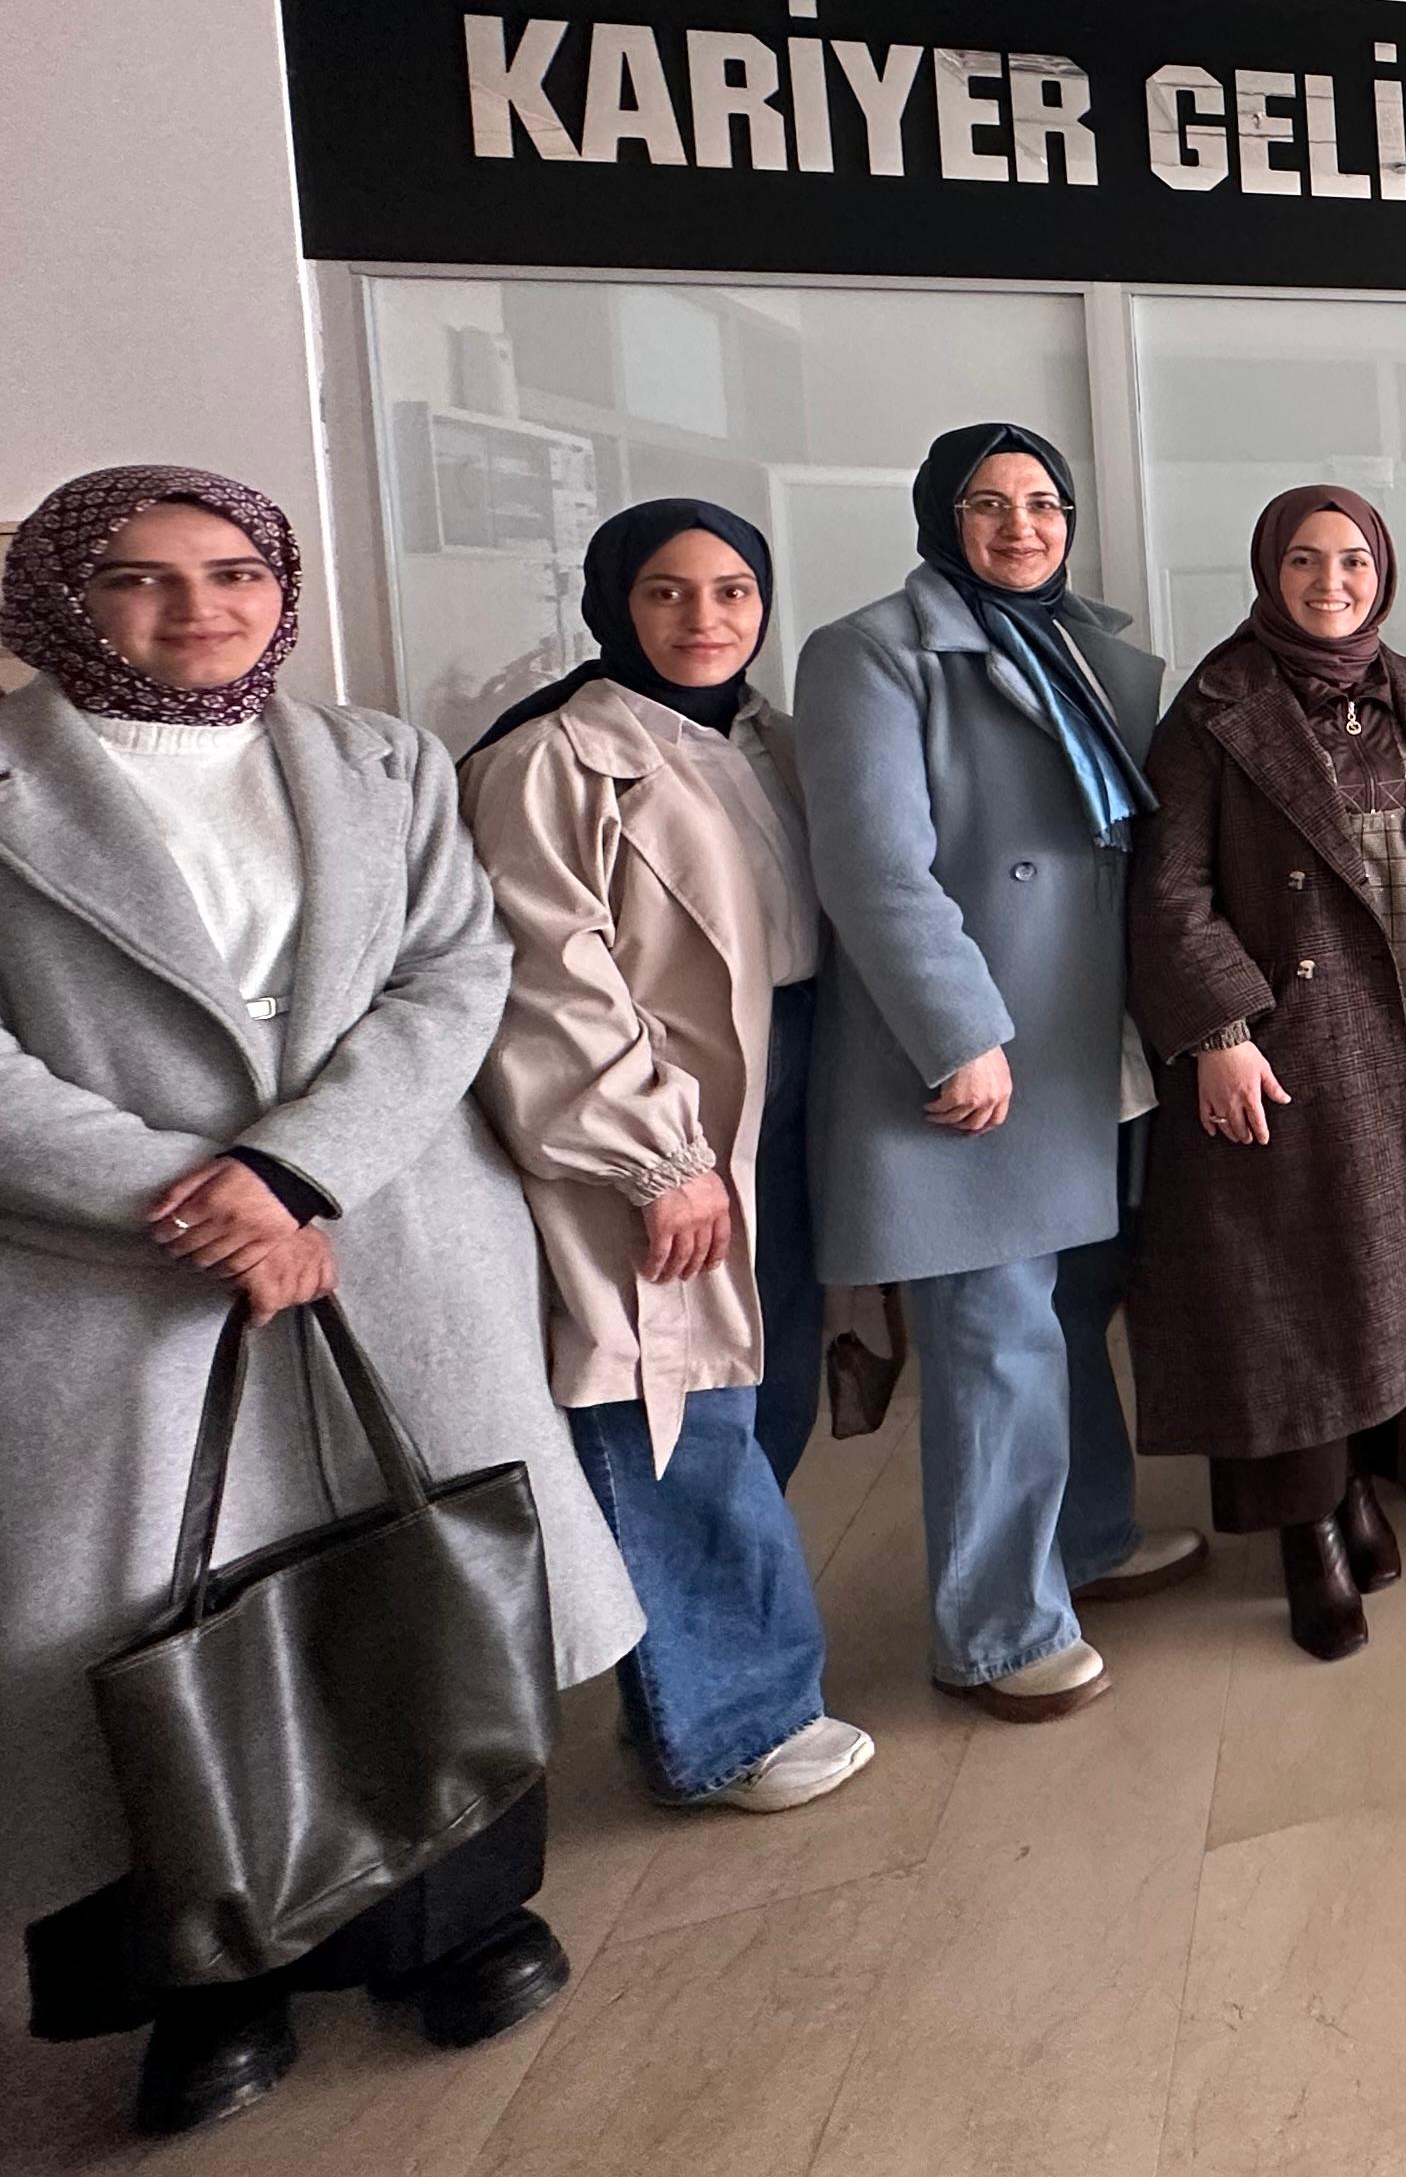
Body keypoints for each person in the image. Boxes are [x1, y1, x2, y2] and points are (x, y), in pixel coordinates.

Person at [0, 469, 640, 2138]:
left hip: (387, 1223)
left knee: (430, 1565)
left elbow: (456, 970)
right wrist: (196, 1197)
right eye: (140, 578)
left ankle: (457, 1924)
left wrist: (295, 1172)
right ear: (60, 595)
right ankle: (210, 1985)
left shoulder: (377, 759)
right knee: (152, 1617)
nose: (199, 607)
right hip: (118, 1271)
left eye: (234, 571)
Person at [462, 502, 873, 1813]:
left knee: (769, 1381)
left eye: (734, 591)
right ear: (613, 604)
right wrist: (656, 1156)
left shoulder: (771, 741)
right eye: (669, 592)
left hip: (792, 1084)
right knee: (672, 1409)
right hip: (657, 1117)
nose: (706, 619)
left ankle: (687, 1688)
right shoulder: (551, 760)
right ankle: (734, 1724)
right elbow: (548, 983)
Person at [800, 424, 1195, 1726]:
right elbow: (875, 868)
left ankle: (1089, 1538)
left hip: (1084, 1034)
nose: (1022, 527)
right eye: (989, 504)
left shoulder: (1081, 644)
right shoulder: (872, 653)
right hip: (978, 1050)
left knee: (1070, 1306)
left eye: (1043, 503)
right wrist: (959, 1032)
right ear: (941, 517)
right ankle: (994, 1629)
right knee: (992, 1334)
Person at [1127, 488, 1406, 1660]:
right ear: (1268, 572)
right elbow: (1169, 891)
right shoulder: (1216, 707)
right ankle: (1307, 1531)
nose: (1332, 582)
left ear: (1383, 572)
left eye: (1353, 562)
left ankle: (1358, 1488)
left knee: (1389, 1289)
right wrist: (1219, 1033)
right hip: (1281, 1049)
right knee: (1290, 1300)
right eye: (1304, 561)